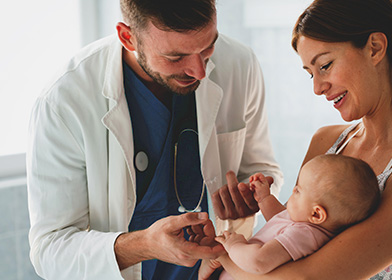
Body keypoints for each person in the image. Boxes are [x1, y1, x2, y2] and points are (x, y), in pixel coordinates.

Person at [202, 0, 392, 279]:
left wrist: (224, 258)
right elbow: (291, 232)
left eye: (324, 65)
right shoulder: (326, 141)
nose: (317, 88)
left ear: (375, 47)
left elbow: (305, 277)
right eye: (310, 73)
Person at [26, 0, 283, 279]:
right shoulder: (64, 100)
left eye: (208, 48)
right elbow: (50, 250)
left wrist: (254, 195)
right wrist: (144, 245)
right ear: (128, 37)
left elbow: (264, 169)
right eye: (175, 57)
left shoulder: (240, 64)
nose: (199, 71)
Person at [201, 154, 380, 279]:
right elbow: (279, 219)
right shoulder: (304, 225)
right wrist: (264, 198)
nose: (293, 190)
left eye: (299, 190)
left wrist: (233, 246)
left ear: (316, 214)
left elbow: (258, 262)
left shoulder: (305, 235)